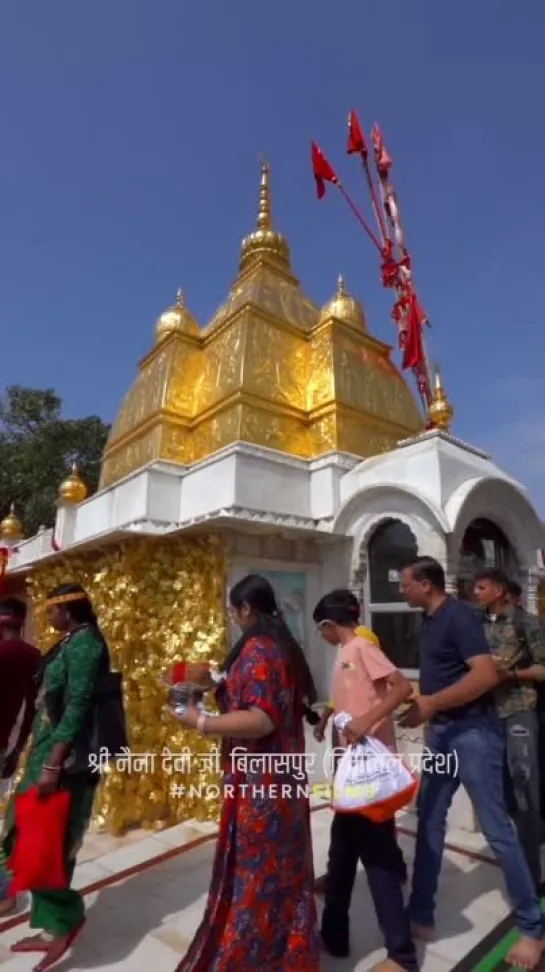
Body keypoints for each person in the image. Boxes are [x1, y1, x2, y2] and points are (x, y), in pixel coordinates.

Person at [399, 556, 544, 970]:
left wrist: (431, 704)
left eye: (405, 583)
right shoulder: (429, 620)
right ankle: (422, 914)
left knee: (498, 830)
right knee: (428, 819)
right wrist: (427, 711)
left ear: (426, 584)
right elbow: (443, 677)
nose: (401, 590)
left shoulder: (460, 617)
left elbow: (483, 676)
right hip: (443, 735)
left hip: (473, 736)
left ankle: (533, 928)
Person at [172, 573, 320, 971]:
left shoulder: (258, 651)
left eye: (234, 611)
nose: (234, 618)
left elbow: (260, 720)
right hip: (284, 779)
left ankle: (250, 958)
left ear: (246, 609)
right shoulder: (282, 647)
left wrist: (198, 721)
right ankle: (288, 952)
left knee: (256, 875)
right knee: (286, 872)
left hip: (262, 785)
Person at [2, 583, 109, 971]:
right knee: (22, 837)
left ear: (69, 610)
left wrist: (53, 762)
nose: (46, 616)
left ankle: (64, 919)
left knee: (46, 844)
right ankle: (51, 924)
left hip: (63, 764)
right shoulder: (71, 641)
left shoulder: (86, 646)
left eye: (52, 609)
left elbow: (78, 704)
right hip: (44, 754)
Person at [313, 589, 417, 972]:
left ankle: (402, 956)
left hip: (371, 773)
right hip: (352, 772)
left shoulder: (360, 646)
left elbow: (402, 687)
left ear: (329, 624)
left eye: (321, 628)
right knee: (341, 857)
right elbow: (347, 698)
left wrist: (366, 721)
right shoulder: (345, 654)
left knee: (379, 861)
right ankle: (334, 935)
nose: (322, 635)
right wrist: (330, 718)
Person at [474, 568, 545, 890]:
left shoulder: (526, 623)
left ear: (501, 591)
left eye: (482, 587)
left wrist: (511, 675)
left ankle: (531, 875)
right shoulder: (477, 623)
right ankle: (517, 856)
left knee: (525, 790)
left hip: (518, 713)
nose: (475, 592)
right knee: (501, 794)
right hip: (486, 717)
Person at [0, 598, 41, 916]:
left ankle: (4, 892)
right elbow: (31, 711)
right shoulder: (33, 657)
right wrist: (16, 750)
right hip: (7, 747)